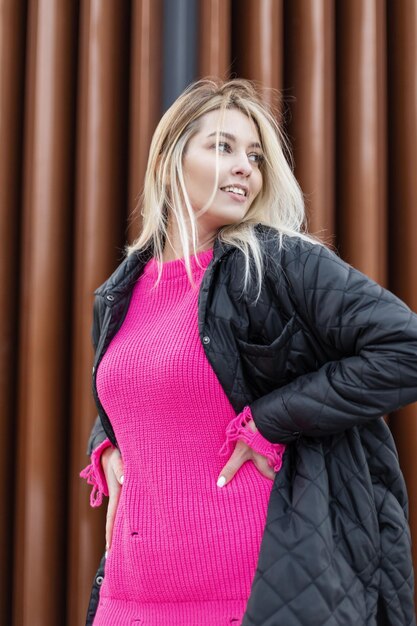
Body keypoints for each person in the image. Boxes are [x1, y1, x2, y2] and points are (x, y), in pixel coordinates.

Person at [80, 77, 417, 626]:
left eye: (255, 156)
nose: (245, 167)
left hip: (250, 595)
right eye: (223, 146)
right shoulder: (121, 290)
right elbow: (146, 384)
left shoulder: (280, 263)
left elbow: (406, 349)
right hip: (130, 595)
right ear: (170, 157)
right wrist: (109, 443)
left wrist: (270, 419)